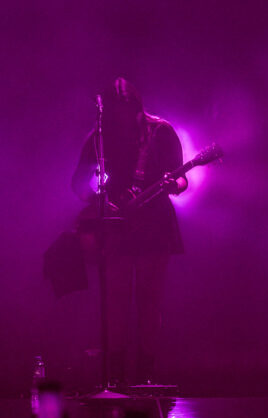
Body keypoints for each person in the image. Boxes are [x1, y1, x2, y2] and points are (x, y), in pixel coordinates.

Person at [72, 77, 188, 386]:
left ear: (136, 107)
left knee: (150, 302)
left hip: (154, 227)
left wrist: (173, 184)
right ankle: (116, 378)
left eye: (125, 110)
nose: (120, 117)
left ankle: (146, 376)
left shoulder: (161, 132)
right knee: (116, 303)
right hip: (116, 228)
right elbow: (78, 185)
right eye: (114, 111)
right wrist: (99, 199)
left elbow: (182, 180)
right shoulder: (99, 137)